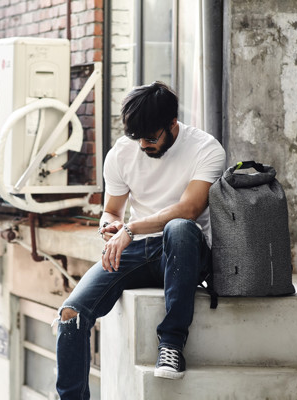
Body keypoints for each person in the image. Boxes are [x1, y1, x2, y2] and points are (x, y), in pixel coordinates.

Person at [54, 81, 226, 399]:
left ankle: (172, 344)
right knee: (71, 314)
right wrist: (110, 226)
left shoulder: (206, 149)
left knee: (179, 228)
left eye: (151, 137)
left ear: (172, 124)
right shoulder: (121, 153)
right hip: (136, 251)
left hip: (182, 252)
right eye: (137, 138)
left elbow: (189, 210)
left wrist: (131, 229)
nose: (143, 145)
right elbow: (111, 210)